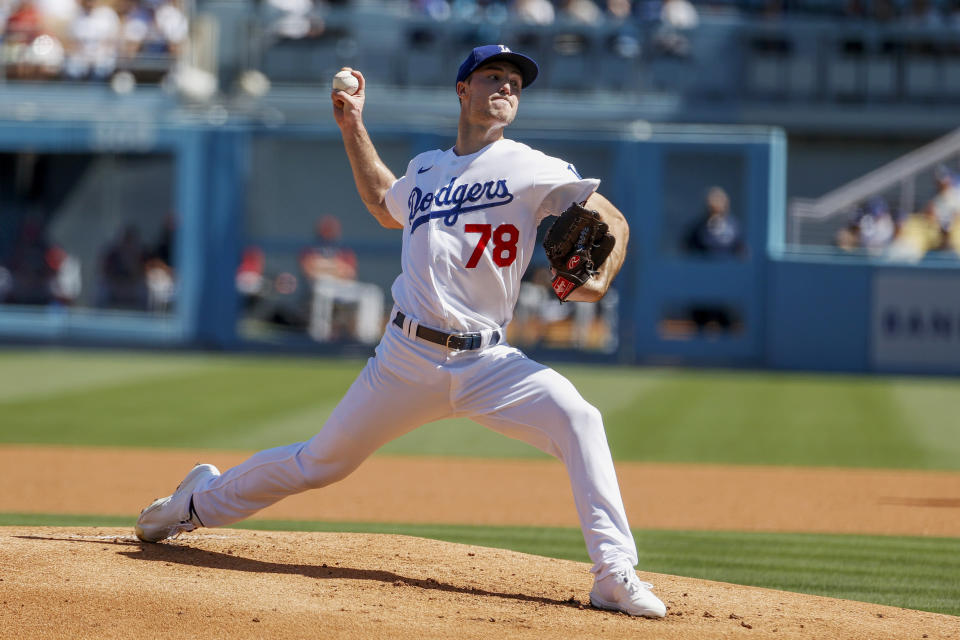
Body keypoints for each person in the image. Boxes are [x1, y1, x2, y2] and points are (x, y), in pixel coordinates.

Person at [134, 44, 666, 619]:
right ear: (462, 90)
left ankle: (614, 574)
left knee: (579, 418)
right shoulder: (426, 169)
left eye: (516, 81)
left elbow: (612, 218)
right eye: (494, 76)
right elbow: (382, 203)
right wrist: (352, 125)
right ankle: (192, 503)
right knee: (320, 463)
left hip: (490, 362)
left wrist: (596, 279)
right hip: (405, 357)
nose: (507, 87)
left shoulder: (531, 166)